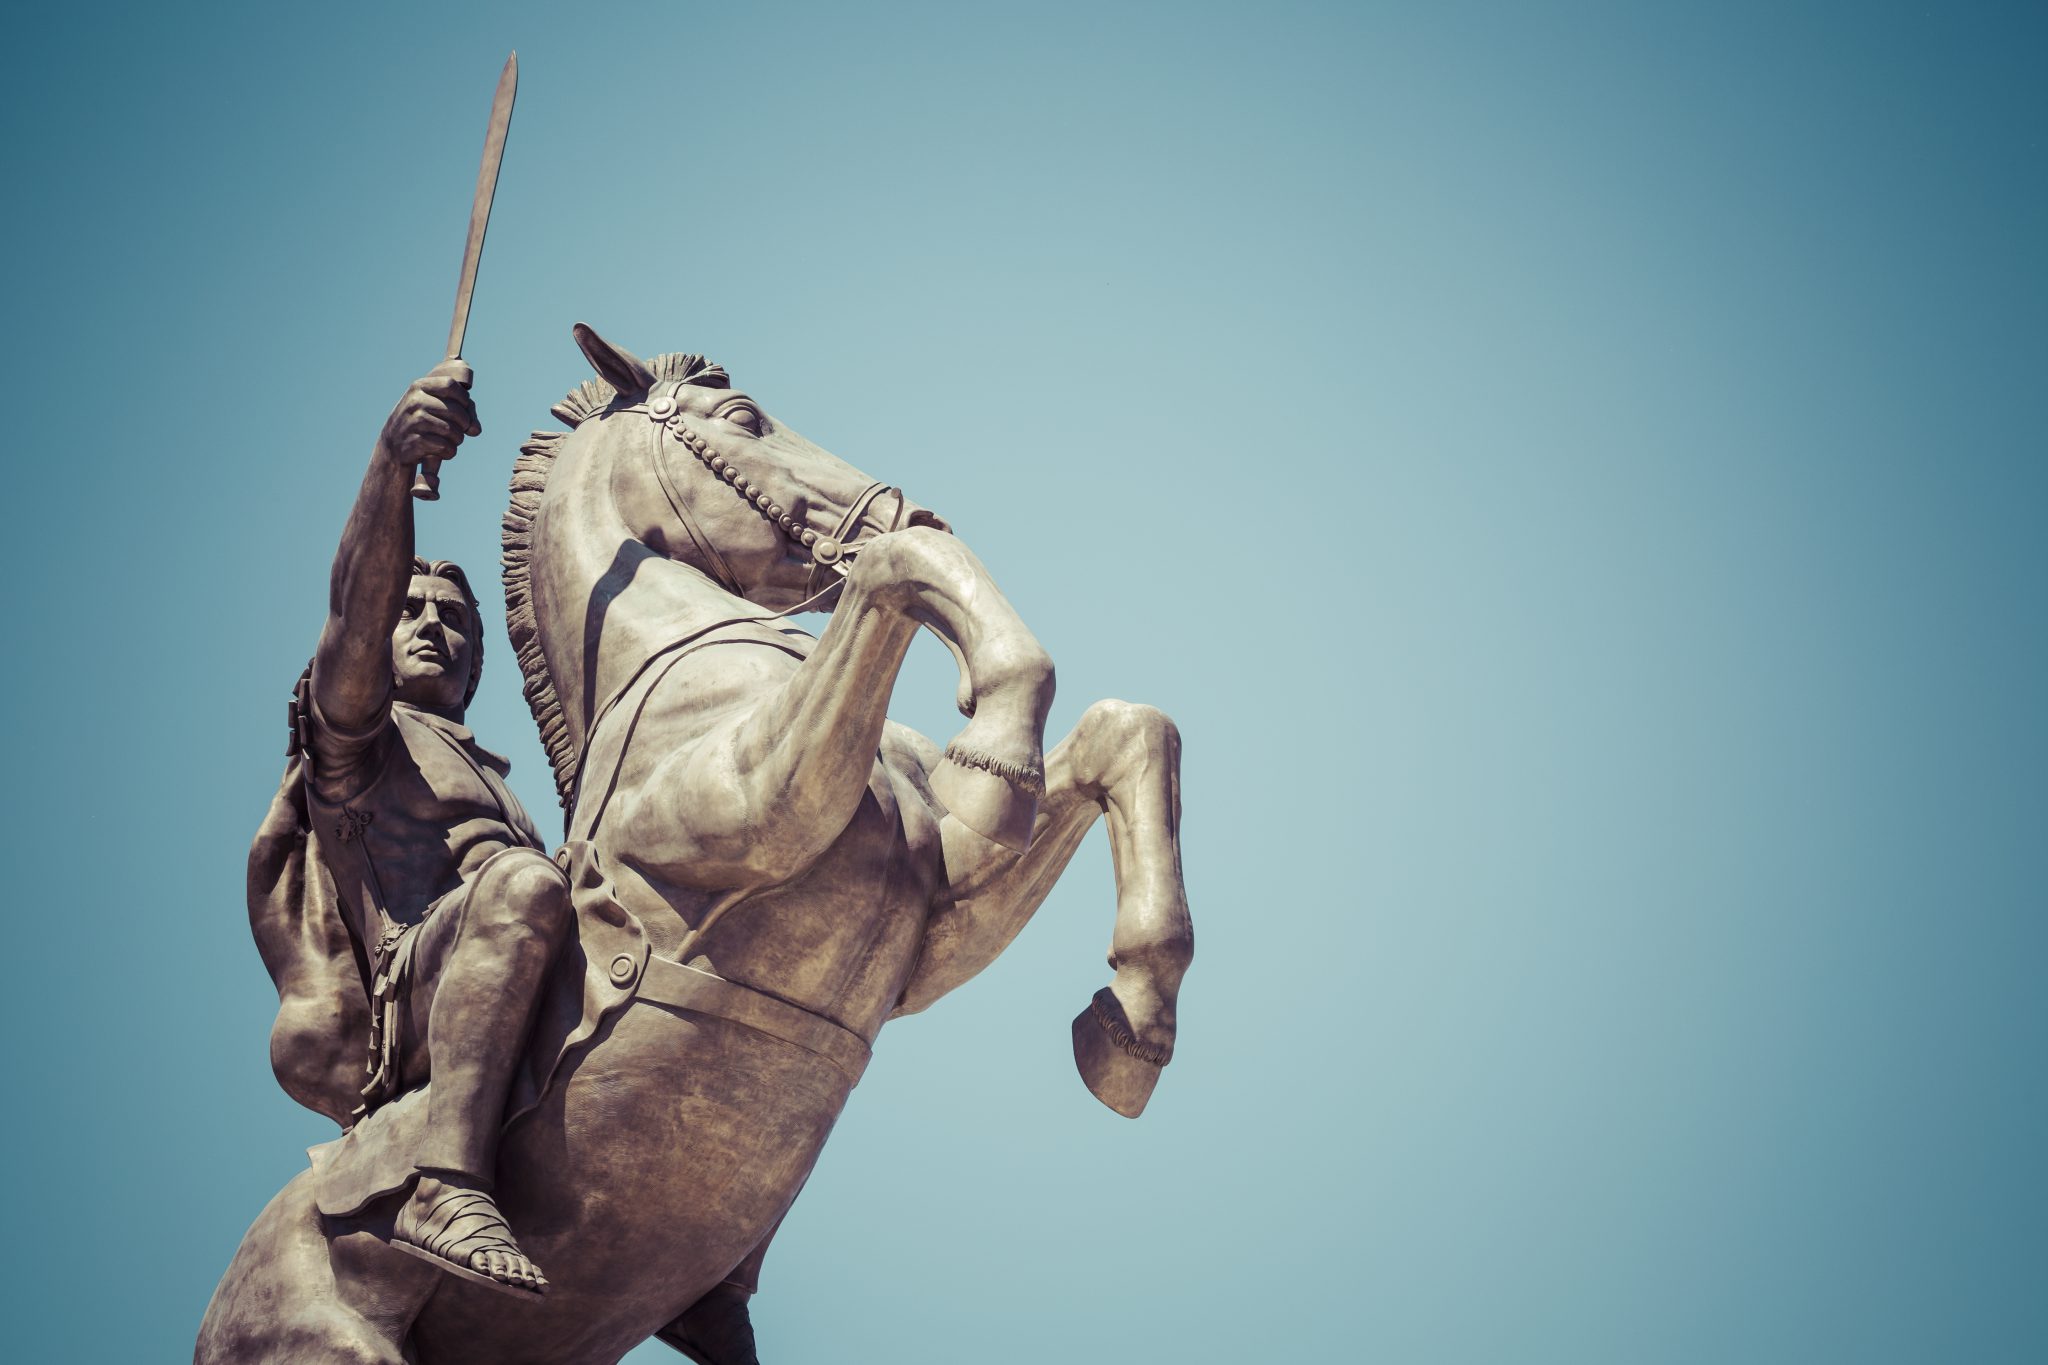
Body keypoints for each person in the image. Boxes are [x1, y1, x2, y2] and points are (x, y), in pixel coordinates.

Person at [292, 360, 573, 1295]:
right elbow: (353, 618)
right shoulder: (354, 741)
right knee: (528, 884)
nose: (431, 625)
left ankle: (716, 1271)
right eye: (412, 609)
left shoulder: (496, 780)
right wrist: (391, 459)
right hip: (412, 992)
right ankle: (445, 1181)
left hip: (508, 949)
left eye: (454, 619)